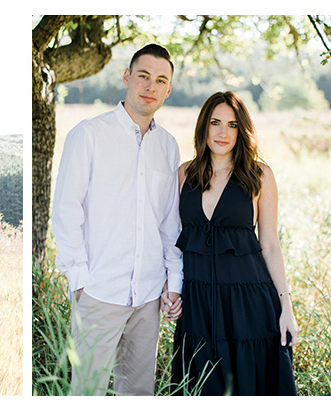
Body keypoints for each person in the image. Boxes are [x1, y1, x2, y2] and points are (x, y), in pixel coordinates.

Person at [51, 43, 183, 396]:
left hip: (149, 294)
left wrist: (174, 280)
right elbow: (66, 210)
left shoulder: (169, 146)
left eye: (160, 80)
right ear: (127, 77)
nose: (150, 86)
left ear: (168, 89)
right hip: (98, 290)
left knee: (139, 393)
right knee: (86, 392)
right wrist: (79, 279)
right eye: (143, 76)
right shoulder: (89, 134)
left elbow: (170, 223)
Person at [168, 91, 298, 395]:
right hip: (198, 304)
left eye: (232, 125)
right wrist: (169, 287)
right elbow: (170, 239)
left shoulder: (259, 175)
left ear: (243, 130)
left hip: (249, 303)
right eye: (215, 122)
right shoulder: (183, 174)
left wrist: (286, 307)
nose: (223, 132)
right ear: (204, 126)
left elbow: (270, 244)